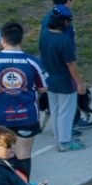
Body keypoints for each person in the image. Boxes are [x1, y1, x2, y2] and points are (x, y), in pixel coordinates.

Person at [0, 22, 47, 177]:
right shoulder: (32, 61)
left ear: (2, 40)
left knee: (1, 154)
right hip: (27, 115)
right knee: (24, 152)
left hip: (0, 116)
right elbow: (43, 88)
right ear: (21, 40)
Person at [38, 8, 87, 152]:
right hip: (64, 80)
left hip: (49, 79)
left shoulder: (44, 35)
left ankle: (59, 138)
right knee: (66, 111)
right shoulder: (64, 41)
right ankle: (65, 141)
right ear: (65, 23)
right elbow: (70, 64)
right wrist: (79, 82)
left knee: (55, 110)